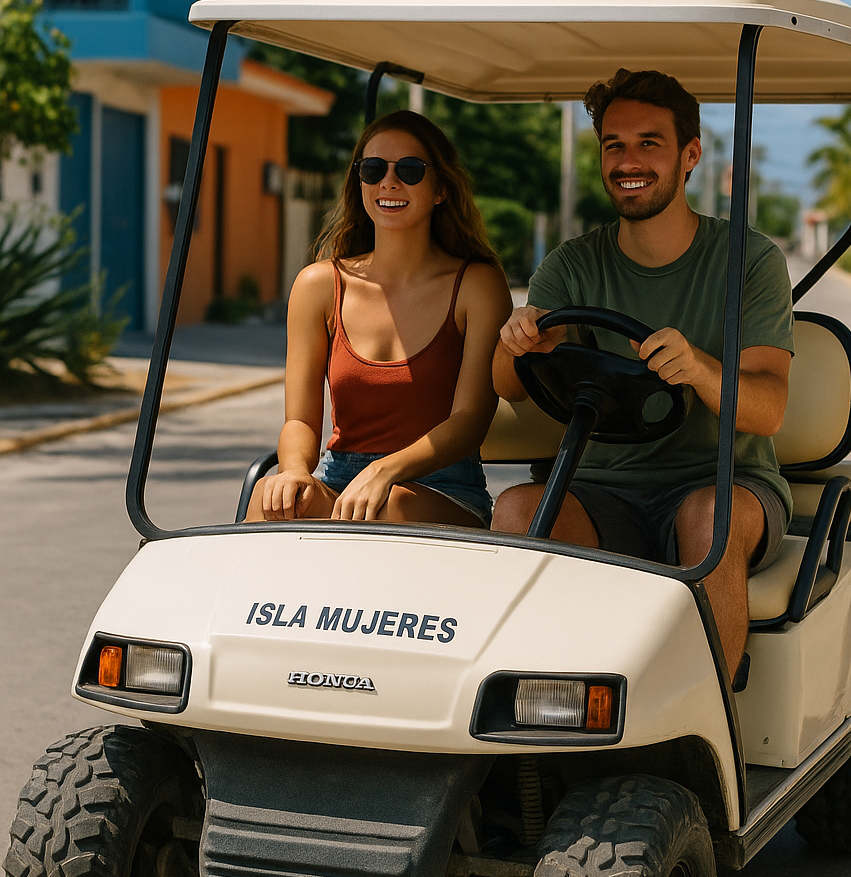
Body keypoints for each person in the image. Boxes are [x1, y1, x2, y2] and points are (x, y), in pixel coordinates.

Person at [491, 68, 794, 682]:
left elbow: (767, 409)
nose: (629, 161)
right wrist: (518, 339)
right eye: (614, 145)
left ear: (690, 156)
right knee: (519, 511)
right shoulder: (573, 264)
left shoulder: (749, 260)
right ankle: (549, 714)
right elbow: (508, 384)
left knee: (707, 519)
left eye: (649, 143)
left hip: (723, 484)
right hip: (604, 488)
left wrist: (702, 370)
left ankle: (710, 724)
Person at [248, 109, 511, 528]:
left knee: (387, 508)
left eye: (410, 169)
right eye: (372, 169)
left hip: (442, 487)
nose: (389, 181)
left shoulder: (477, 284)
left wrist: (386, 470)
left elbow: (470, 420)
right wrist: (295, 469)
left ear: (441, 188)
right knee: (270, 496)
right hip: (341, 480)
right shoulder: (318, 284)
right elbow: (299, 419)